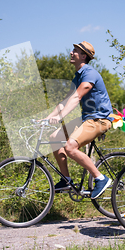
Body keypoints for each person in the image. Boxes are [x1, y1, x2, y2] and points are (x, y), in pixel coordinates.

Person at [44, 41, 114, 199]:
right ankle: (66, 180)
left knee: (70, 147)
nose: (71, 52)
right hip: (87, 119)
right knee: (55, 138)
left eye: (75, 51)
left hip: (99, 119)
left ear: (83, 56)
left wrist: (60, 117)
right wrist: (47, 118)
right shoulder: (78, 75)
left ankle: (101, 178)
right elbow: (65, 100)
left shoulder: (89, 73)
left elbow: (77, 96)